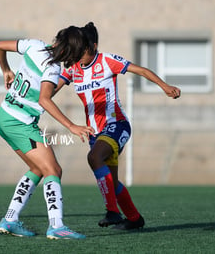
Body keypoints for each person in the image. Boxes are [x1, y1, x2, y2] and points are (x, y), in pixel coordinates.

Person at [56, 22, 181, 230]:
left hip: (117, 125)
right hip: (96, 134)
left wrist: (164, 86)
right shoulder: (74, 69)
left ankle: (113, 212)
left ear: (93, 46)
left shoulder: (107, 61)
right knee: (112, 184)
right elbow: (49, 92)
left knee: (94, 157)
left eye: (82, 50)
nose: (78, 55)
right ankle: (134, 219)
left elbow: (140, 70)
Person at [0, 26, 94, 239]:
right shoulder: (52, 68)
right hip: (20, 123)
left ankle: (10, 219)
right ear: (70, 51)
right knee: (54, 170)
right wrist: (71, 126)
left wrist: (5, 69)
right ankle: (57, 227)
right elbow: (44, 100)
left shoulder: (35, 45)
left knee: (38, 168)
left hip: (4, 117)